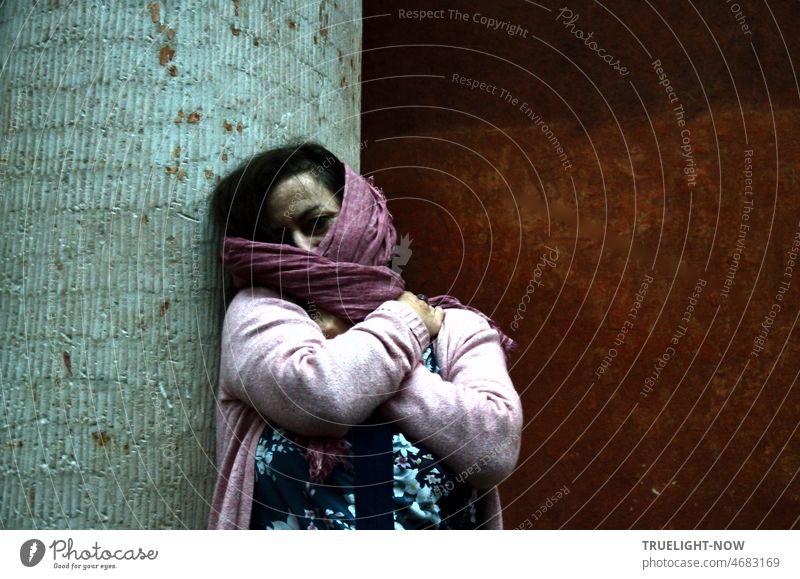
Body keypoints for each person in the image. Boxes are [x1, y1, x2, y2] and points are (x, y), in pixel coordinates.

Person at [208, 142, 522, 530]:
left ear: (359, 214)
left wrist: (368, 350)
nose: (304, 250)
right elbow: (322, 397)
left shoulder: (452, 328)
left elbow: (494, 451)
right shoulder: (259, 316)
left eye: (316, 223)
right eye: (278, 241)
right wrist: (403, 325)